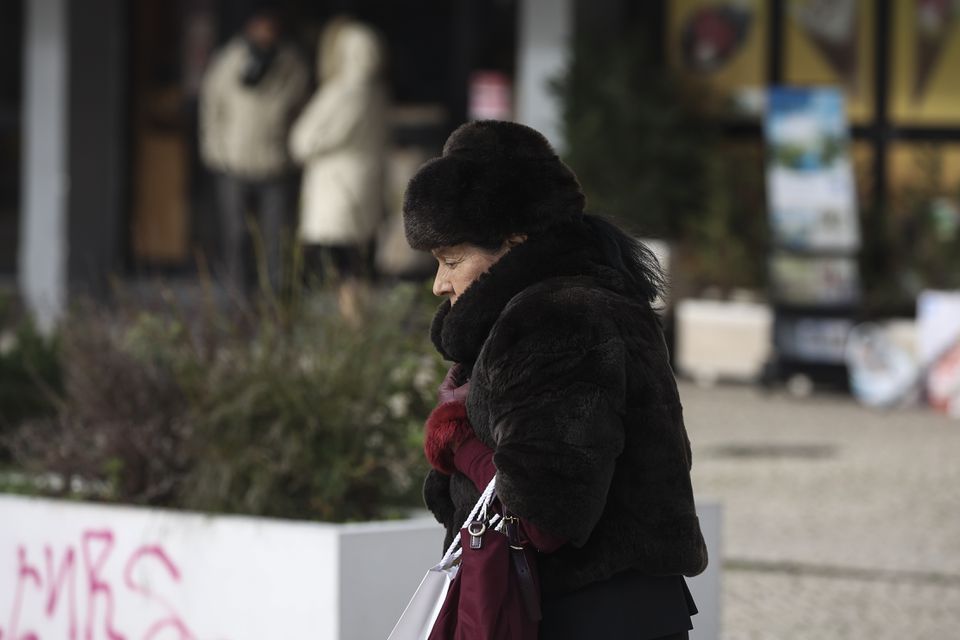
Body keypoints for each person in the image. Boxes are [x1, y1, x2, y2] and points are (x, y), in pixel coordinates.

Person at [403, 120, 707, 639]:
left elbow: (546, 509)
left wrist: (458, 440)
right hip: (613, 609)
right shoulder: (575, 303)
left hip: (590, 615)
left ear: (515, 242)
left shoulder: (558, 317)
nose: (439, 283)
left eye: (453, 260)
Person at [199, 8, 308, 294]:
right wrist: (216, 151)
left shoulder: (290, 63)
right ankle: (238, 297)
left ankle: (276, 298)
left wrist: (291, 153)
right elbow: (211, 107)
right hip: (233, 164)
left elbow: (300, 111)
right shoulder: (229, 60)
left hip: (275, 165)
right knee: (236, 236)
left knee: (276, 237)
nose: (265, 33)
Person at [288, 17, 387, 321]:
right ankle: (351, 325)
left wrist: (302, 140)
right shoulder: (373, 91)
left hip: (339, 190)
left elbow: (306, 140)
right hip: (353, 187)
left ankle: (349, 328)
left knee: (342, 264)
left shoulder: (350, 92)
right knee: (352, 262)